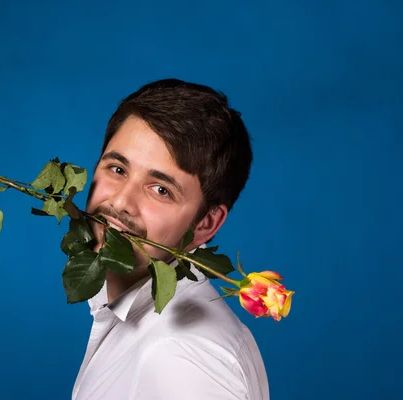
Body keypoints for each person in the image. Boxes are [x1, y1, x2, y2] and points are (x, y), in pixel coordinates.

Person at [72, 78, 269, 400]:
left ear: (206, 224)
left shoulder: (180, 356)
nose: (120, 201)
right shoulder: (141, 323)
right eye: (118, 169)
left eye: (160, 189)